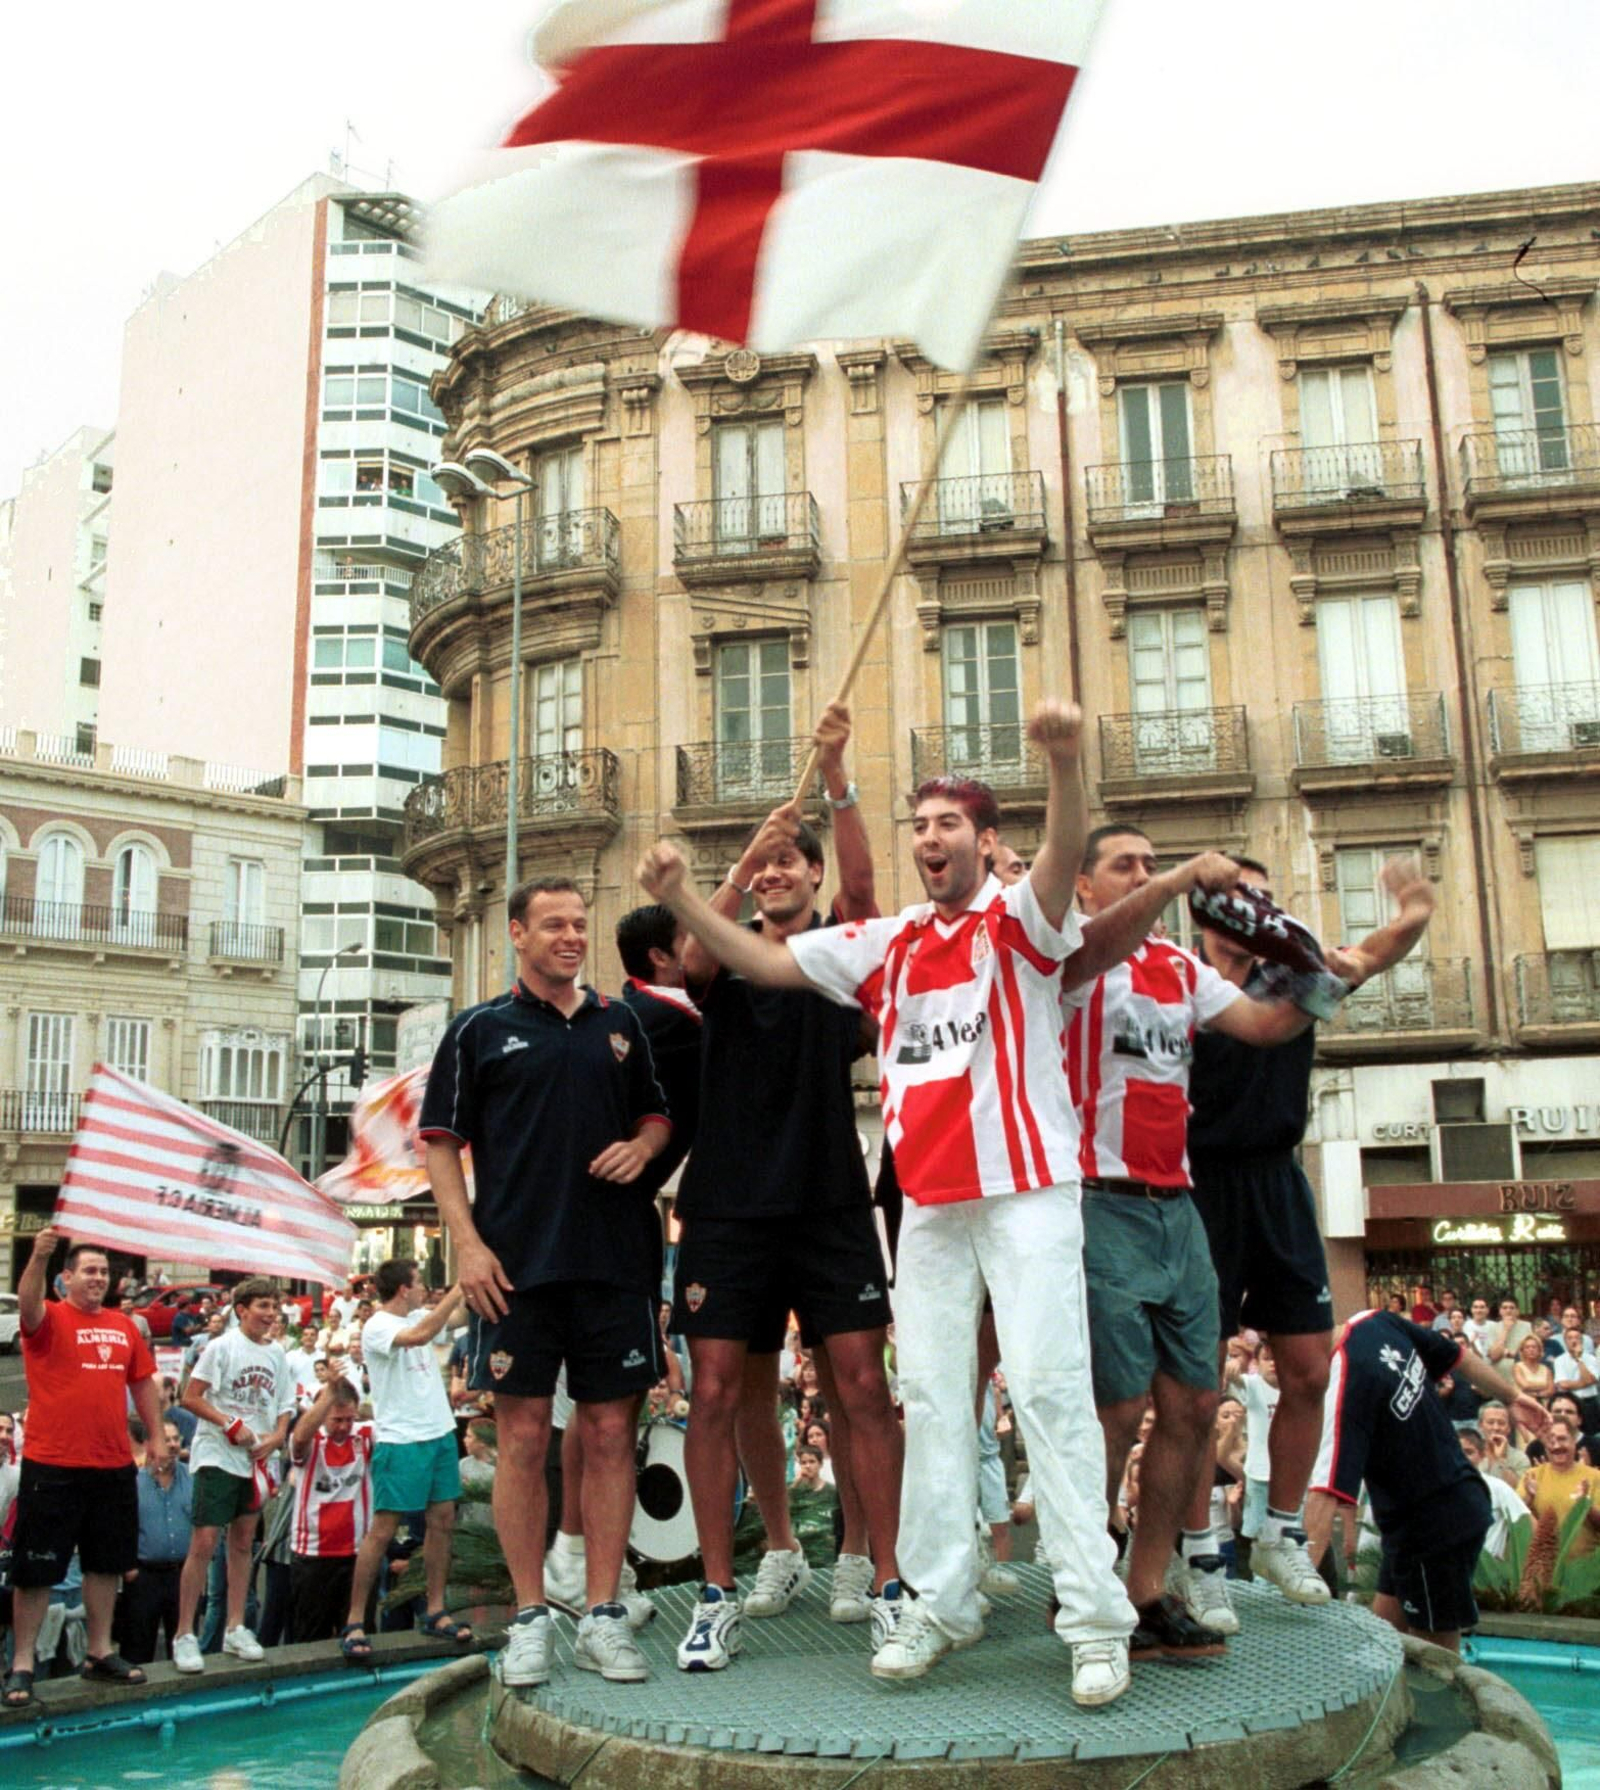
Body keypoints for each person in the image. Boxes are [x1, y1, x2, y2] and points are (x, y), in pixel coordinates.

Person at [642, 700, 1160, 1708]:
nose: (931, 838)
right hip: (928, 1206)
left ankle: (1095, 1621)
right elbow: (760, 961)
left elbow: (1060, 858)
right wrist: (687, 899)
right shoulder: (885, 943)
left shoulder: (1023, 917)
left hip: (1025, 1194)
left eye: (949, 824)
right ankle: (935, 1596)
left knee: (1050, 1396)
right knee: (927, 1402)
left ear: (985, 841)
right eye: (919, 823)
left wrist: (1062, 760)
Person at [1062, 830, 1363, 1651]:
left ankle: (1148, 1587)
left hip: (1179, 1204)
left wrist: (1316, 974)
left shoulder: (1180, 971)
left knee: (1194, 1404)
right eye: (1124, 865)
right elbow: (1095, 943)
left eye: (1150, 863)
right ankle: (1084, 1585)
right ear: (1082, 885)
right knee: (1116, 1408)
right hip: (1097, 1201)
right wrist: (1180, 882)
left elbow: (1266, 1024)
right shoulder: (1066, 958)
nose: (1144, 874)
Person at [662, 702, 904, 1675]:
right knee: (719, 1391)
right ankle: (721, 1591)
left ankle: (883, 1577)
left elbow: (865, 883)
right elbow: (689, 953)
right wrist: (736, 855)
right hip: (723, 1201)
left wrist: (837, 775)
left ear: (810, 878)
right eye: (765, 866)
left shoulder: (843, 957)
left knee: (860, 1386)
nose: (775, 874)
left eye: (786, 863)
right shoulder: (722, 954)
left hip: (829, 1197)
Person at [420, 876, 673, 1690]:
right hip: (513, 1270)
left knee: (607, 1437)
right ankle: (531, 1618)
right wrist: (466, 1245)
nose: (571, 935)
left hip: (615, 1264)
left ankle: (601, 1614)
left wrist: (644, 1147)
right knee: (522, 1440)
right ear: (517, 933)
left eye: (579, 923)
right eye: (554, 924)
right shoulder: (477, 1031)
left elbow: (658, 1116)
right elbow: (439, 1143)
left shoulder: (619, 1021)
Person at [1179, 852, 1435, 1634]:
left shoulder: (1294, 972)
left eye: (1264, 896)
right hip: (1198, 1186)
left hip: (1277, 1181)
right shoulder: (1174, 983)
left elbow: (1368, 954)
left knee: (1308, 1369)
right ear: (1205, 913)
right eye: (1238, 898)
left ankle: (1281, 1532)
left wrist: (1415, 914)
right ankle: (1198, 1554)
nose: (1254, 909)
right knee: (1195, 1388)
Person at [544, 901, 701, 1630]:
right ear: (667, 958)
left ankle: (577, 1564)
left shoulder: (636, 1015)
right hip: (609, 1229)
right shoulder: (662, 1016)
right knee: (604, 1407)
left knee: (603, 1407)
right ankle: (573, 1564)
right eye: (697, 937)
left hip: (618, 1223)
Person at [1304, 1308, 1546, 1653]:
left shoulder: (1342, 1385)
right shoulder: (1374, 1322)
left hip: (1434, 1527)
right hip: (1428, 1513)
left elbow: (1323, 1496)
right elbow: (1461, 1358)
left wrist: (1297, 1583)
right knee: (1384, 1645)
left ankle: (1449, 1706)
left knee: (1437, 1665)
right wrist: (1512, 1396)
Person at [3, 1228, 165, 1708]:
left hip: (111, 1462)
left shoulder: (124, 1326)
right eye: (88, 1271)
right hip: (52, 1463)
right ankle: (23, 1664)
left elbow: (142, 1384)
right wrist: (38, 1256)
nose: (98, 1278)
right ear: (65, 1279)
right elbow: (28, 1301)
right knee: (36, 1571)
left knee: (105, 1565)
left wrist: (155, 1434)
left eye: (104, 1272)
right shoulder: (48, 1318)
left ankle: (98, 1652)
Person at [338, 1263, 469, 1660]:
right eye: (419, 1283)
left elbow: (458, 1315)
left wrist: (475, 1281)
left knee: (442, 1521)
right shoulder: (377, 1326)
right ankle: (355, 1619)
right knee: (383, 1530)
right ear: (402, 1288)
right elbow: (421, 1334)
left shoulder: (415, 1313)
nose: (425, 1289)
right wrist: (459, 1285)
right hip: (401, 1439)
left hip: (438, 1432)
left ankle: (435, 1610)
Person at [171, 1277, 295, 1673]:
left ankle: (236, 1626)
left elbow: (284, 1405)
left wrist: (276, 1437)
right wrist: (229, 1423)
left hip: (256, 1459)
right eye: (262, 1306)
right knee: (205, 1540)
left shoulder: (278, 1353)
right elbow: (189, 1396)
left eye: (273, 1307)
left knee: (243, 1542)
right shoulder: (220, 1347)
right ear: (242, 1309)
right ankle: (184, 1634)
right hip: (218, 1454)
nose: (270, 1314)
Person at [287, 1378, 375, 1643]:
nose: (344, 1427)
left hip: (358, 1553)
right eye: (337, 1420)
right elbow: (299, 1438)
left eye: (349, 1419)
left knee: (360, 1634)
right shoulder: (309, 1439)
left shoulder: (366, 1434)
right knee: (312, 1638)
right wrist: (327, 1396)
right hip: (313, 1554)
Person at [120, 1421, 194, 1665]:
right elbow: (122, 1527)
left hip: (183, 1575)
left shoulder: (193, 1478)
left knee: (183, 1648)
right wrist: (128, 1567)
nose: (173, 1445)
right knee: (137, 1650)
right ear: (149, 1444)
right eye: (166, 1439)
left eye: (176, 1439)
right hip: (144, 1577)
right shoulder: (133, 1483)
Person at [1458, 1429, 1532, 1559]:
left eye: (1469, 1452)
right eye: (1457, 1451)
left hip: (1489, 1573)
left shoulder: (1498, 1488)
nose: (1462, 1458)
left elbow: (1528, 1523)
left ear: (1482, 1455)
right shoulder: (1438, 1489)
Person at [1477, 1402, 1531, 1486]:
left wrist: (1501, 1460)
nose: (1496, 1428)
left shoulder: (1520, 1459)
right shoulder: (1472, 1454)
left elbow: (1517, 1489)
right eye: (1490, 1422)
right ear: (1480, 1426)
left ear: (1509, 1428)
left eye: (1501, 1423)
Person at [1488, 1298, 1533, 1366]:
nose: (1508, 1310)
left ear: (1517, 1311)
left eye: (1512, 1308)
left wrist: (1511, 1354)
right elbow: (1494, 1356)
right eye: (1505, 1308)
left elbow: (1531, 1353)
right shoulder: (1492, 1328)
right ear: (1500, 1311)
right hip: (1499, 1372)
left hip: (1522, 1370)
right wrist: (1506, 1330)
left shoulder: (1528, 1326)